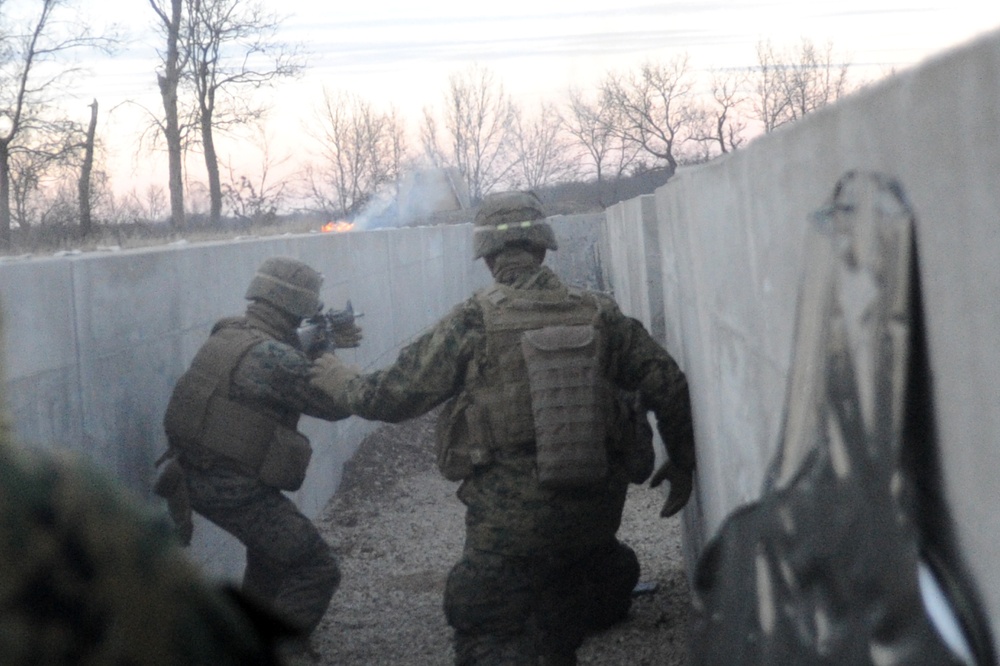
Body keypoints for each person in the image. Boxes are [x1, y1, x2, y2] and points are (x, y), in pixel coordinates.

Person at [310, 191, 696, 665]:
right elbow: (669, 384)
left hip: (510, 536)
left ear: (488, 258)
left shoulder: (475, 319)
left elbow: (389, 397)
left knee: (478, 611)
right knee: (588, 586)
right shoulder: (600, 313)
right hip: (595, 519)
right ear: (543, 247)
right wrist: (683, 461)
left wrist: (336, 377)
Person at [157, 256, 359, 663]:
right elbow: (338, 403)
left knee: (271, 557)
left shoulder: (230, 331)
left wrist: (315, 345)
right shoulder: (276, 357)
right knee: (317, 567)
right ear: (298, 307)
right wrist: (329, 357)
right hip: (231, 488)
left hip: (196, 472)